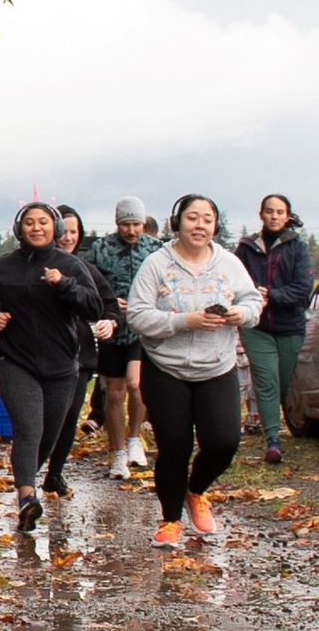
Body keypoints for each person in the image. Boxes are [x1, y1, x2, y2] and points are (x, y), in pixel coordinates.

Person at [127, 194, 262, 548]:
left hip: (217, 365)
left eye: (207, 219)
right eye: (192, 218)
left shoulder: (229, 263)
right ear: (178, 222)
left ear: (215, 225)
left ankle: (196, 491)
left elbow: (253, 301)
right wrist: (184, 321)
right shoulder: (157, 264)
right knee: (174, 446)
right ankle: (170, 520)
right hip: (165, 368)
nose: (200, 225)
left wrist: (241, 315)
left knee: (224, 441)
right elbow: (137, 316)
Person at [0, 203, 101, 532]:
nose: (36, 228)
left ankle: (27, 477)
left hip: (61, 366)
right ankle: (27, 497)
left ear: (54, 227)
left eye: (43, 222)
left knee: (49, 435)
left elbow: (94, 306)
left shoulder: (70, 265)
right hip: (15, 361)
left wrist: (63, 284)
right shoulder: (3, 266)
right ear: (19, 228)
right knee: (29, 429)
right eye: (29, 222)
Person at [41, 206, 122, 498]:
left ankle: (55, 473)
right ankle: (28, 473)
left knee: (69, 414)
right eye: (64, 230)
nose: (68, 237)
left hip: (79, 356)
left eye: (74, 232)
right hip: (38, 354)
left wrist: (109, 322)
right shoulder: (29, 266)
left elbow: (109, 304)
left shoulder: (85, 270)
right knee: (43, 417)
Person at [84, 196, 162, 479]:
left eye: (136, 224)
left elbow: (167, 284)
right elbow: (88, 286)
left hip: (144, 329)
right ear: (117, 223)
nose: (131, 230)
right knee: (114, 392)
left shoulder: (156, 249)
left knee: (136, 384)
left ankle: (134, 438)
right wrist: (111, 302)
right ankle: (117, 452)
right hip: (114, 329)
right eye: (126, 224)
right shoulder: (101, 249)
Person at [235, 194, 313, 464]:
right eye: (270, 211)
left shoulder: (297, 247)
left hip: (290, 326)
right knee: (266, 381)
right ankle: (273, 442)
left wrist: (273, 296)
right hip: (256, 326)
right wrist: (254, 299)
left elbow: (303, 288)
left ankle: (273, 425)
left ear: (287, 216)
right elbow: (233, 280)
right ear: (261, 214)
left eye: (280, 212)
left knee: (280, 385)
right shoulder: (246, 247)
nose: (274, 216)